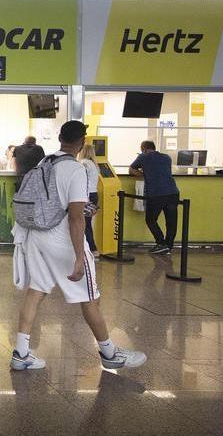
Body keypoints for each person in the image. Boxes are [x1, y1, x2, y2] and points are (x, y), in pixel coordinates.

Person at [10, 120, 145, 373]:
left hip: (36, 235)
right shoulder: (76, 170)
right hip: (62, 239)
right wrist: (80, 256)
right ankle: (109, 353)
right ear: (82, 143)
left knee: (36, 290)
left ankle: (21, 352)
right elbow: (74, 217)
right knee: (90, 298)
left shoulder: (45, 162)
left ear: (60, 138)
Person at [129, 140, 179, 255]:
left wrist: (143, 174)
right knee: (171, 221)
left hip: (156, 194)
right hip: (173, 192)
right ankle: (168, 246)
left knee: (150, 219)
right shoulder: (167, 157)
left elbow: (131, 170)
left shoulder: (143, 157)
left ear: (144, 149)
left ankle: (161, 243)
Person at [80, 143, 101, 259]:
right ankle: (91, 249)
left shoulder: (83, 163)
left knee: (84, 224)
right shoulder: (94, 164)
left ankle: (92, 249)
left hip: (86, 195)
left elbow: (81, 180)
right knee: (87, 223)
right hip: (94, 194)